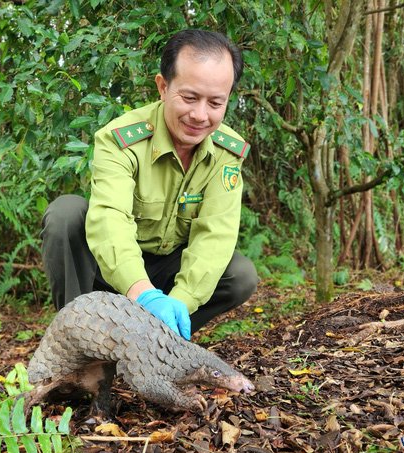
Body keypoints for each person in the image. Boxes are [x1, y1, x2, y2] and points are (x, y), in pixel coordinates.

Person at [41, 29, 258, 340]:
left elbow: (215, 237)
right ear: (163, 86)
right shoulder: (121, 139)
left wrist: (178, 302)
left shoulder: (227, 152)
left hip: (169, 271)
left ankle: (157, 339)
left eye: (215, 103)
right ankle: (79, 341)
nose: (200, 115)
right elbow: (110, 221)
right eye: (189, 97)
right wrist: (143, 294)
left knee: (240, 275)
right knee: (65, 214)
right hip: (110, 269)